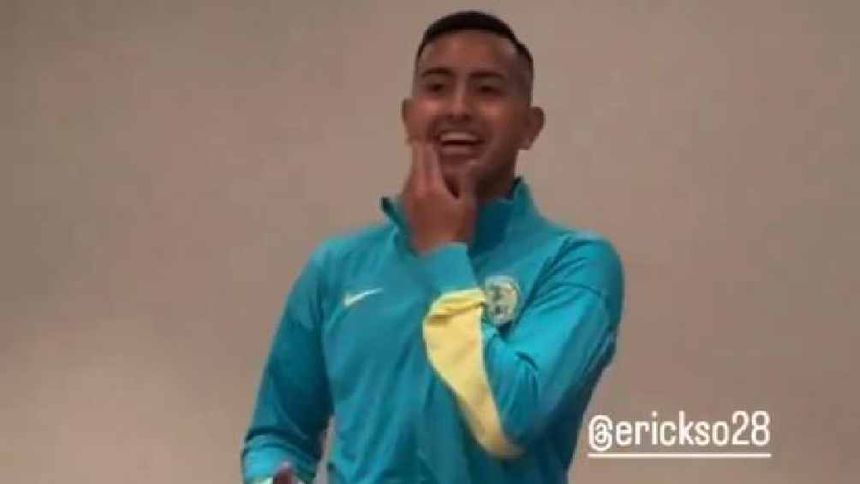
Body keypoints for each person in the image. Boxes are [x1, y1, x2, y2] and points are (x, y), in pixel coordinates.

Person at [241, 10, 624, 484]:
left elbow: (506, 422)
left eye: (487, 90)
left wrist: (444, 256)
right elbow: (279, 433)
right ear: (409, 117)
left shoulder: (574, 263)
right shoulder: (336, 268)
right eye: (437, 87)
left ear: (530, 126)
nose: (458, 108)